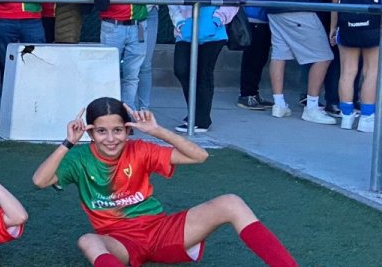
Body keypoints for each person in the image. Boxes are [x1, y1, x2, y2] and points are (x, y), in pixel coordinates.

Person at [32, 98, 297, 267]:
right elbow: (39, 181)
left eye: (118, 130)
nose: (110, 138)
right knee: (88, 241)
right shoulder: (78, 158)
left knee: (231, 203)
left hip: (161, 231)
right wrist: (68, 143)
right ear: (91, 132)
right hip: (120, 242)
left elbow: (200, 156)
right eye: (101, 131)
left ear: (128, 130)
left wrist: (158, 131)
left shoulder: (141, 149)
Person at [167, 0, 241, 133]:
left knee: (203, 73)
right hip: (186, 34)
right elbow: (174, 3)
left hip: (213, 35)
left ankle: (201, 119)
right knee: (182, 70)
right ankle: (194, 112)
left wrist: (217, 20)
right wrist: (180, 24)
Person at [328, 0, 382, 132]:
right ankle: (367, 118)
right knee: (371, 72)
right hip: (373, 28)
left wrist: (333, 28)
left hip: (347, 26)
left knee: (347, 72)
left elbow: (335, 3)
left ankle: (346, 116)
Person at [237, 0, 281, 110]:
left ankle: (253, 94)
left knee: (261, 56)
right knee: (253, 57)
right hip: (256, 15)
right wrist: (267, 2)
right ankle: (246, 95)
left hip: (264, 15)